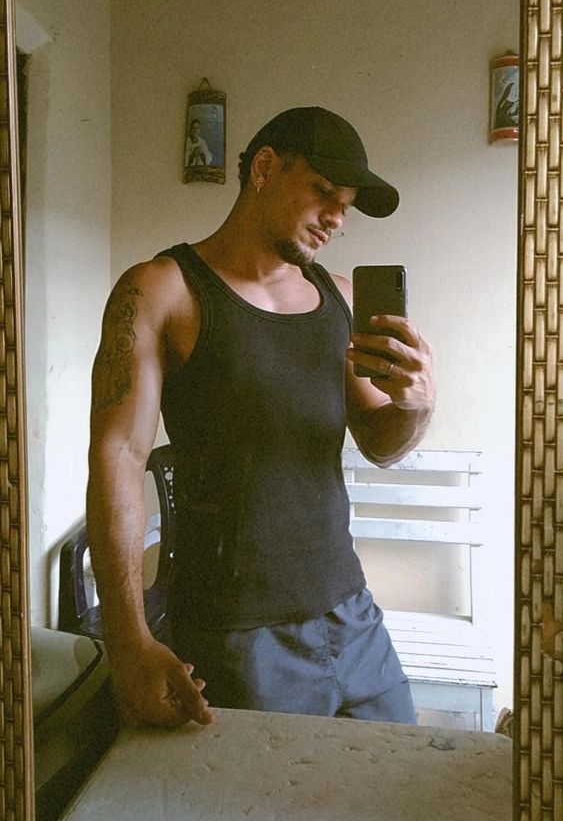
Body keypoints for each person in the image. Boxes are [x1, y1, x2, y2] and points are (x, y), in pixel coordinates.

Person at [86, 106, 435, 730]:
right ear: (265, 168)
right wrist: (128, 640)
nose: (336, 218)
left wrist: (417, 405)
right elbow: (118, 459)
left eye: (345, 206)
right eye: (323, 192)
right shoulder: (163, 290)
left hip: (353, 616)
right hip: (237, 634)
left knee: (402, 775)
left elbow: (382, 445)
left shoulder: (342, 299)